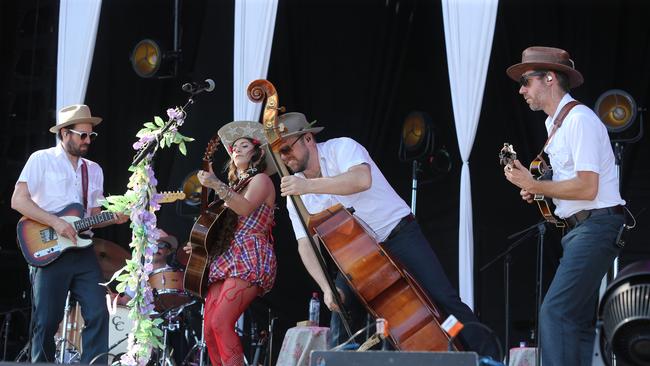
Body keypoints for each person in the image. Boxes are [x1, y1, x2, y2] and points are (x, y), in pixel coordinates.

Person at [275, 112, 497, 356]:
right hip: (357, 258)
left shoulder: (342, 148)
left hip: (398, 234)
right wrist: (326, 288)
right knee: (342, 314)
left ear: (308, 139)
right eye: (279, 152)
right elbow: (306, 244)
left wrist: (309, 186)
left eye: (286, 149)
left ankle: (488, 359)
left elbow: (361, 179)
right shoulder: (295, 192)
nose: (285, 158)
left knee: (443, 299)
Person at [504, 46, 626, 366]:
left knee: (555, 312)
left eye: (526, 81)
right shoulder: (554, 126)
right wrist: (539, 191)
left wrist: (534, 185)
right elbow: (570, 184)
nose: (521, 90)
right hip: (583, 230)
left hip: (595, 226)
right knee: (574, 322)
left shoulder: (579, 120)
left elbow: (588, 186)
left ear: (549, 78)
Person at [11, 104, 129, 363]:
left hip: (82, 250)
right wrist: (55, 222)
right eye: (82, 135)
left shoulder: (93, 170)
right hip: (49, 248)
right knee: (46, 320)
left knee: (99, 312)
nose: (88, 140)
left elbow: (91, 217)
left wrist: (117, 217)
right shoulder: (41, 159)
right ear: (64, 133)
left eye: (91, 136)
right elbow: (18, 201)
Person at [184, 121, 277, 366]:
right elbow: (221, 228)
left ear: (256, 153)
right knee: (208, 331)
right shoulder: (233, 189)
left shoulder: (261, 181)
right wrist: (199, 244)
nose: (236, 149)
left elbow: (244, 207)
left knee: (221, 323)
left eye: (243, 145)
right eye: (233, 147)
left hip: (249, 253)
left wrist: (216, 184)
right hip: (226, 256)